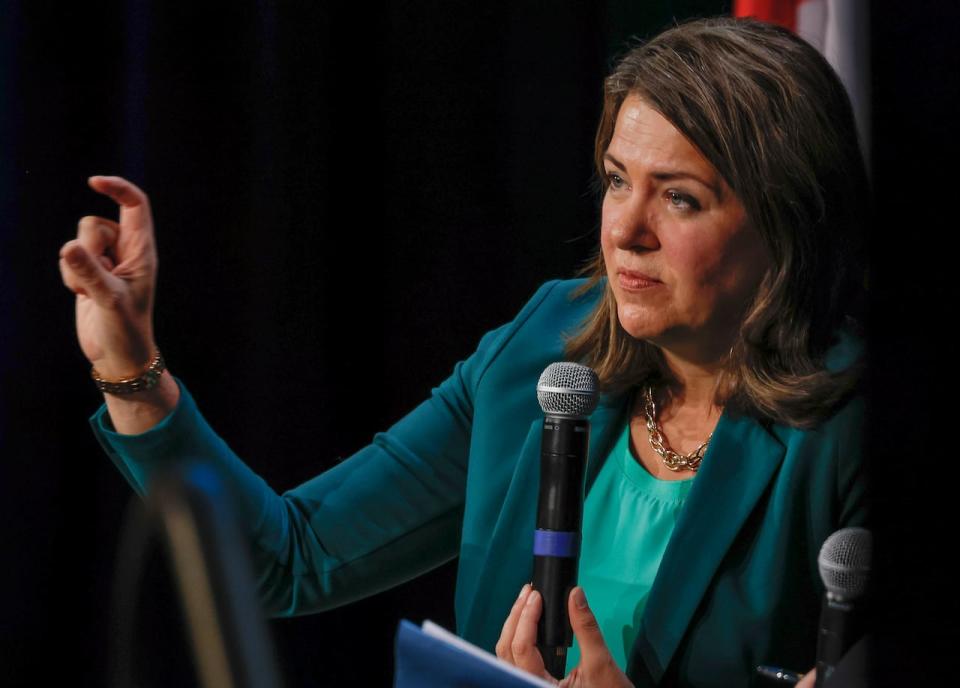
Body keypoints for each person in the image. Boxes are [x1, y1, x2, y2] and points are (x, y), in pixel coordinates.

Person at [59, 16, 869, 688]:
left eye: (680, 198)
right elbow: (291, 557)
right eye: (618, 181)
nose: (625, 230)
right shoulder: (544, 353)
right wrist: (131, 367)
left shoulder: (848, 427)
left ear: (784, 224)